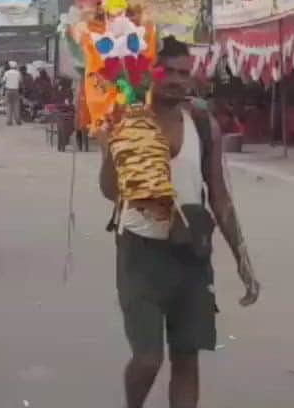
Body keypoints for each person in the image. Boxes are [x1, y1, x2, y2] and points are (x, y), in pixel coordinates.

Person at [100, 38, 260, 408]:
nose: (175, 80)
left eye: (183, 73)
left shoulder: (202, 125)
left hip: (192, 252)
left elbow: (219, 196)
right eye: (166, 71)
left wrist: (242, 260)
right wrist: (112, 148)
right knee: (148, 358)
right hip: (141, 252)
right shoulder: (129, 119)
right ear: (149, 72)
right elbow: (111, 191)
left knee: (187, 358)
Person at [2, 61, 23, 126]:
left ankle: (9, 121)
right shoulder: (18, 73)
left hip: (8, 90)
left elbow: (3, 81)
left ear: (10, 66)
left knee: (8, 106)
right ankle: (18, 120)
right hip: (16, 90)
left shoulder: (6, 73)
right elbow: (20, 81)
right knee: (16, 105)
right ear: (15, 66)